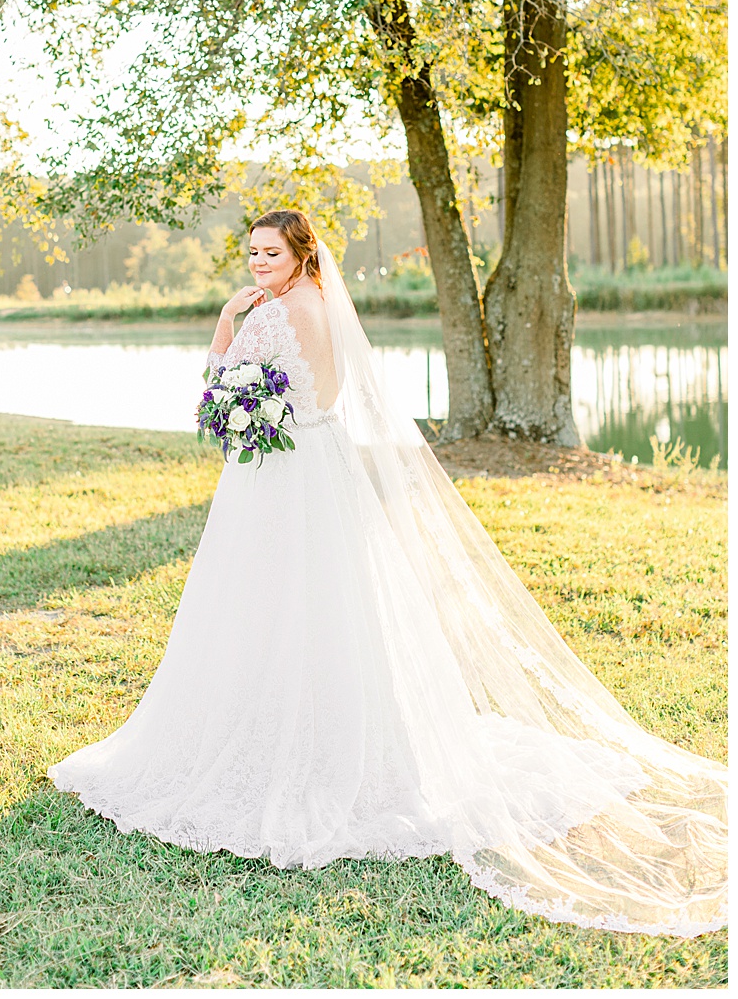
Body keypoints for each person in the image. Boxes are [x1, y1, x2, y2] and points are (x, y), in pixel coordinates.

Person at [50, 209, 726, 936]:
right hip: (304, 462)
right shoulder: (306, 305)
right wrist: (266, 391)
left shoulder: (282, 314)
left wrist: (227, 333)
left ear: (302, 254)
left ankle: (292, 736)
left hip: (280, 475)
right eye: (250, 253)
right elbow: (319, 398)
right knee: (313, 603)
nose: (255, 264)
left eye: (269, 252)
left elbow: (230, 389)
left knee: (275, 601)